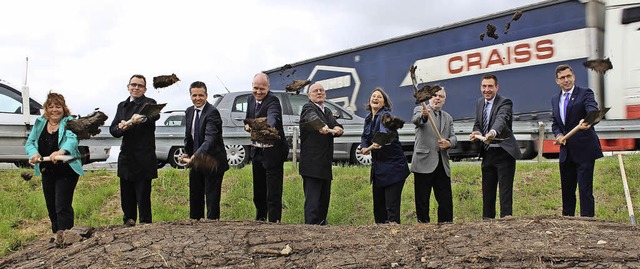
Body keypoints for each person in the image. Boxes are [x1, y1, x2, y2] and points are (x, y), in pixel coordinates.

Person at [24, 92, 84, 234]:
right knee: (51, 207)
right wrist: (34, 153)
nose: (54, 110)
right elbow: (30, 143)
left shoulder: (69, 122)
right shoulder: (40, 123)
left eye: (58, 106)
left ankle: (67, 238)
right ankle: (56, 236)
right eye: (51, 107)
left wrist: (60, 151)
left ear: (63, 108)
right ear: (46, 108)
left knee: (62, 206)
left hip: (66, 170)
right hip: (47, 170)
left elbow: (72, 140)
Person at [551, 64, 603, 217]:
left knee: (585, 191)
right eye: (562, 78)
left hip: (584, 150)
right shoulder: (555, 99)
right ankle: (568, 222)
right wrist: (559, 135)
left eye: (568, 76)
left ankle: (588, 223)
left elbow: (592, 109)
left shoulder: (585, 93)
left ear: (573, 77)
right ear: (557, 81)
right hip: (566, 152)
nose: (566, 80)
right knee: (567, 191)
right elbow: (555, 122)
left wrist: (589, 120)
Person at [109, 74, 159, 226]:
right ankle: (128, 224)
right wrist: (121, 127)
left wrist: (142, 118)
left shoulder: (149, 103)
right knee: (127, 197)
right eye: (133, 85)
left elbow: (154, 116)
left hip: (144, 158)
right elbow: (113, 130)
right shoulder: (121, 106)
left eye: (140, 85)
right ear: (128, 87)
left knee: (143, 196)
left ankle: (145, 225)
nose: (136, 88)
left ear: (145, 89)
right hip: (127, 158)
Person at [469, 74, 521, 219]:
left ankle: (506, 222)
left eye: (490, 86)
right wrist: (477, 132)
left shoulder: (505, 103)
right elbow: (478, 123)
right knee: (487, 191)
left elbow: (501, 119)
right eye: (484, 86)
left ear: (496, 87)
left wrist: (492, 132)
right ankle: (487, 222)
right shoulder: (480, 102)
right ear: (481, 87)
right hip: (487, 153)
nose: (487, 90)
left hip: (504, 152)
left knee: (505, 192)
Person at [360, 87, 410, 224]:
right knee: (378, 208)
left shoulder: (386, 116)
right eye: (373, 96)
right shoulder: (369, 117)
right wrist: (365, 146)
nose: (375, 98)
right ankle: (380, 241)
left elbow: (382, 136)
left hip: (394, 168)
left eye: (379, 97)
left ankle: (394, 239)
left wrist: (369, 148)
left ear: (384, 103)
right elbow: (365, 136)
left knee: (391, 210)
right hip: (379, 169)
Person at [181, 81, 230, 220]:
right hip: (196, 161)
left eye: (200, 95)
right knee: (195, 197)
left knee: (212, 201)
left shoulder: (212, 112)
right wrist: (188, 154)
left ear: (206, 95)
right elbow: (189, 136)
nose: (197, 98)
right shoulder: (189, 111)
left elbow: (210, 139)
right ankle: (195, 229)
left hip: (212, 162)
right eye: (194, 95)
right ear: (190, 96)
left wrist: (196, 155)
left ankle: (213, 231)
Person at [245, 73, 289, 222]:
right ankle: (260, 219)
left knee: (273, 192)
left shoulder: (273, 101)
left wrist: (267, 126)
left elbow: (273, 116)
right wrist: (247, 125)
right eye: (255, 88)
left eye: (262, 89)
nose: (258, 92)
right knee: (259, 191)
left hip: (273, 153)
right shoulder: (250, 99)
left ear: (268, 87)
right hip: (257, 151)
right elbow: (248, 118)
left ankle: (274, 222)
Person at [299, 83, 344, 225]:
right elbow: (311, 118)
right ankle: (311, 231)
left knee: (324, 201)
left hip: (325, 164)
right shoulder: (308, 108)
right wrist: (320, 126)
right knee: (312, 203)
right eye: (315, 91)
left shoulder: (327, 111)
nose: (319, 92)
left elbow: (335, 124)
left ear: (325, 94)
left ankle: (322, 229)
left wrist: (338, 128)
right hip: (312, 165)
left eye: (321, 90)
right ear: (309, 95)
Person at [410, 87, 457, 223]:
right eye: (435, 95)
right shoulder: (420, 110)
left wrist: (448, 142)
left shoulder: (448, 117)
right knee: (422, 200)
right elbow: (416, 120)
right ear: (429, 97)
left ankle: (446, 226)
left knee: (445, 200)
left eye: (441, 96)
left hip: (442, 164)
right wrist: (425, 115)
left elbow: (454, 138)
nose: (437, 98)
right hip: (424, 162)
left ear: (444, 100)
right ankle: (424, 226)